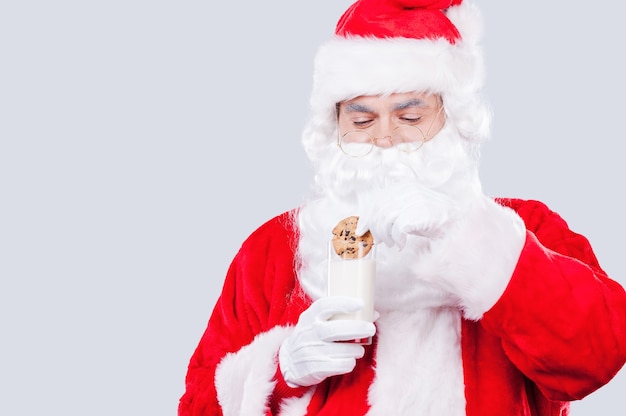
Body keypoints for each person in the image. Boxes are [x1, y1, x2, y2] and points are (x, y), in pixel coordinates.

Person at [178, 1, 626, 415]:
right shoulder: (274, 250)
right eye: (362, 119)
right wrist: (279, 370)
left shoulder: (525, 229)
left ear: (451, 118)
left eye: (410, 117)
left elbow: (599, 353)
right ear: (335, 127)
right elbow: (195, 405)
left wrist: (469, 235)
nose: (385, 138)